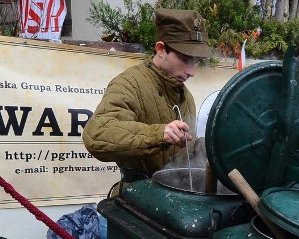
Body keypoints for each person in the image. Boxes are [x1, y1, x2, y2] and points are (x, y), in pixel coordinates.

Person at [84, 9, 212, 179]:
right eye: (185, 59)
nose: (192, 71)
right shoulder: (130, 84)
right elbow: (97, 134)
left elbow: (185, 154)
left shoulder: (185, 96)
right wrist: (159, 135)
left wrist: (211, 147)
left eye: (196, 62)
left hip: (175, 194)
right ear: (161, 49)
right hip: (138, 195)